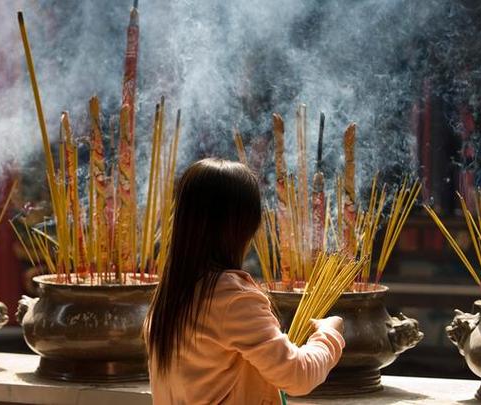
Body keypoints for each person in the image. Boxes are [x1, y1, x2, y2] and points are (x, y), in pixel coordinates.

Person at [145, 158, 345, 405]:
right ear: (244, 227)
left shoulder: (168, 298)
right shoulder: (231, 298)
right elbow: (298, 375)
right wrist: (328, 335)